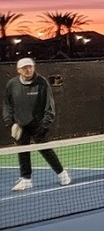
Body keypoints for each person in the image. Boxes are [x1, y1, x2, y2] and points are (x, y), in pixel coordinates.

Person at [4, 57, 70, 191]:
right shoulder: (12, 84)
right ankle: (26, 179)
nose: (28, 70)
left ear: (34, 67)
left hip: (39, 124)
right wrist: (10, 122)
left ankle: (62, 174)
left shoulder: (42, 82)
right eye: (24, 68)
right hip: (20, 125)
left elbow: (49, 105)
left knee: (46, 150)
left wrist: (45, 124)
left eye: (30, 67)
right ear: (19, 70)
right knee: (22, 151)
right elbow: (7, 105)